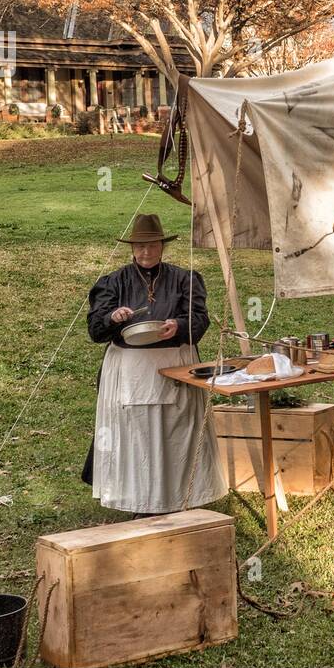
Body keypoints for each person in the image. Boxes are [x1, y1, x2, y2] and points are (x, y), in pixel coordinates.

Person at [83, 213, 227, 515]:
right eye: (139, 246)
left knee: (176, 433)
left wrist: (179, 324)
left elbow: (200, 321)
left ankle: (180, 497)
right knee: (136, 436)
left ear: (162, 246)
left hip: (175, 363)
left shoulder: (185, 279)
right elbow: (96, 330)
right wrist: (113, 317)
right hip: (130, 370)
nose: (145, 252)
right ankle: (137, 499)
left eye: (151, 245)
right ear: (132, 248)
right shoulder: (113, 282)